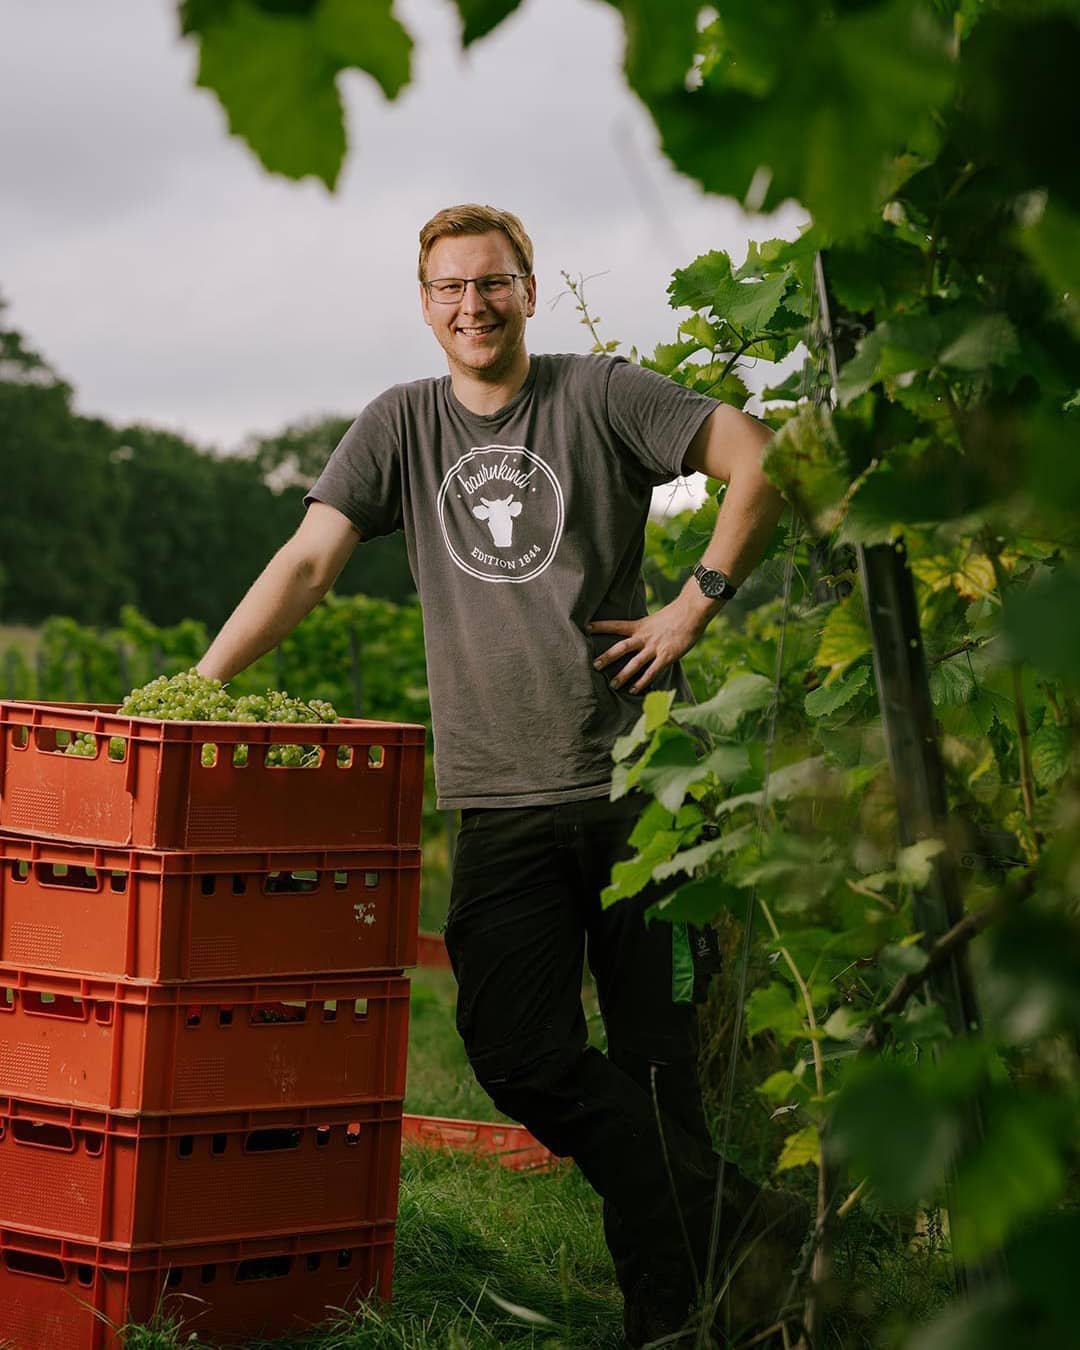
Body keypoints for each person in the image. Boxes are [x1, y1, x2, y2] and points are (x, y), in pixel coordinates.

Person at [197, 203, 801, 1346]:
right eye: (449, 288)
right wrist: (205, 680)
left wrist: (695, 604)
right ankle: (746, 1220)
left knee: (658, 1075)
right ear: (424, 303)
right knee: (519, 1052)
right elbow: (311, 558)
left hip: (640, 798)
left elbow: (758, 457)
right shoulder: (400, 426)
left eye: (494, 283)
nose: (472, 306)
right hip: (500, 798)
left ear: (529, 287)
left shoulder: (604, 394)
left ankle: (671, 1324)